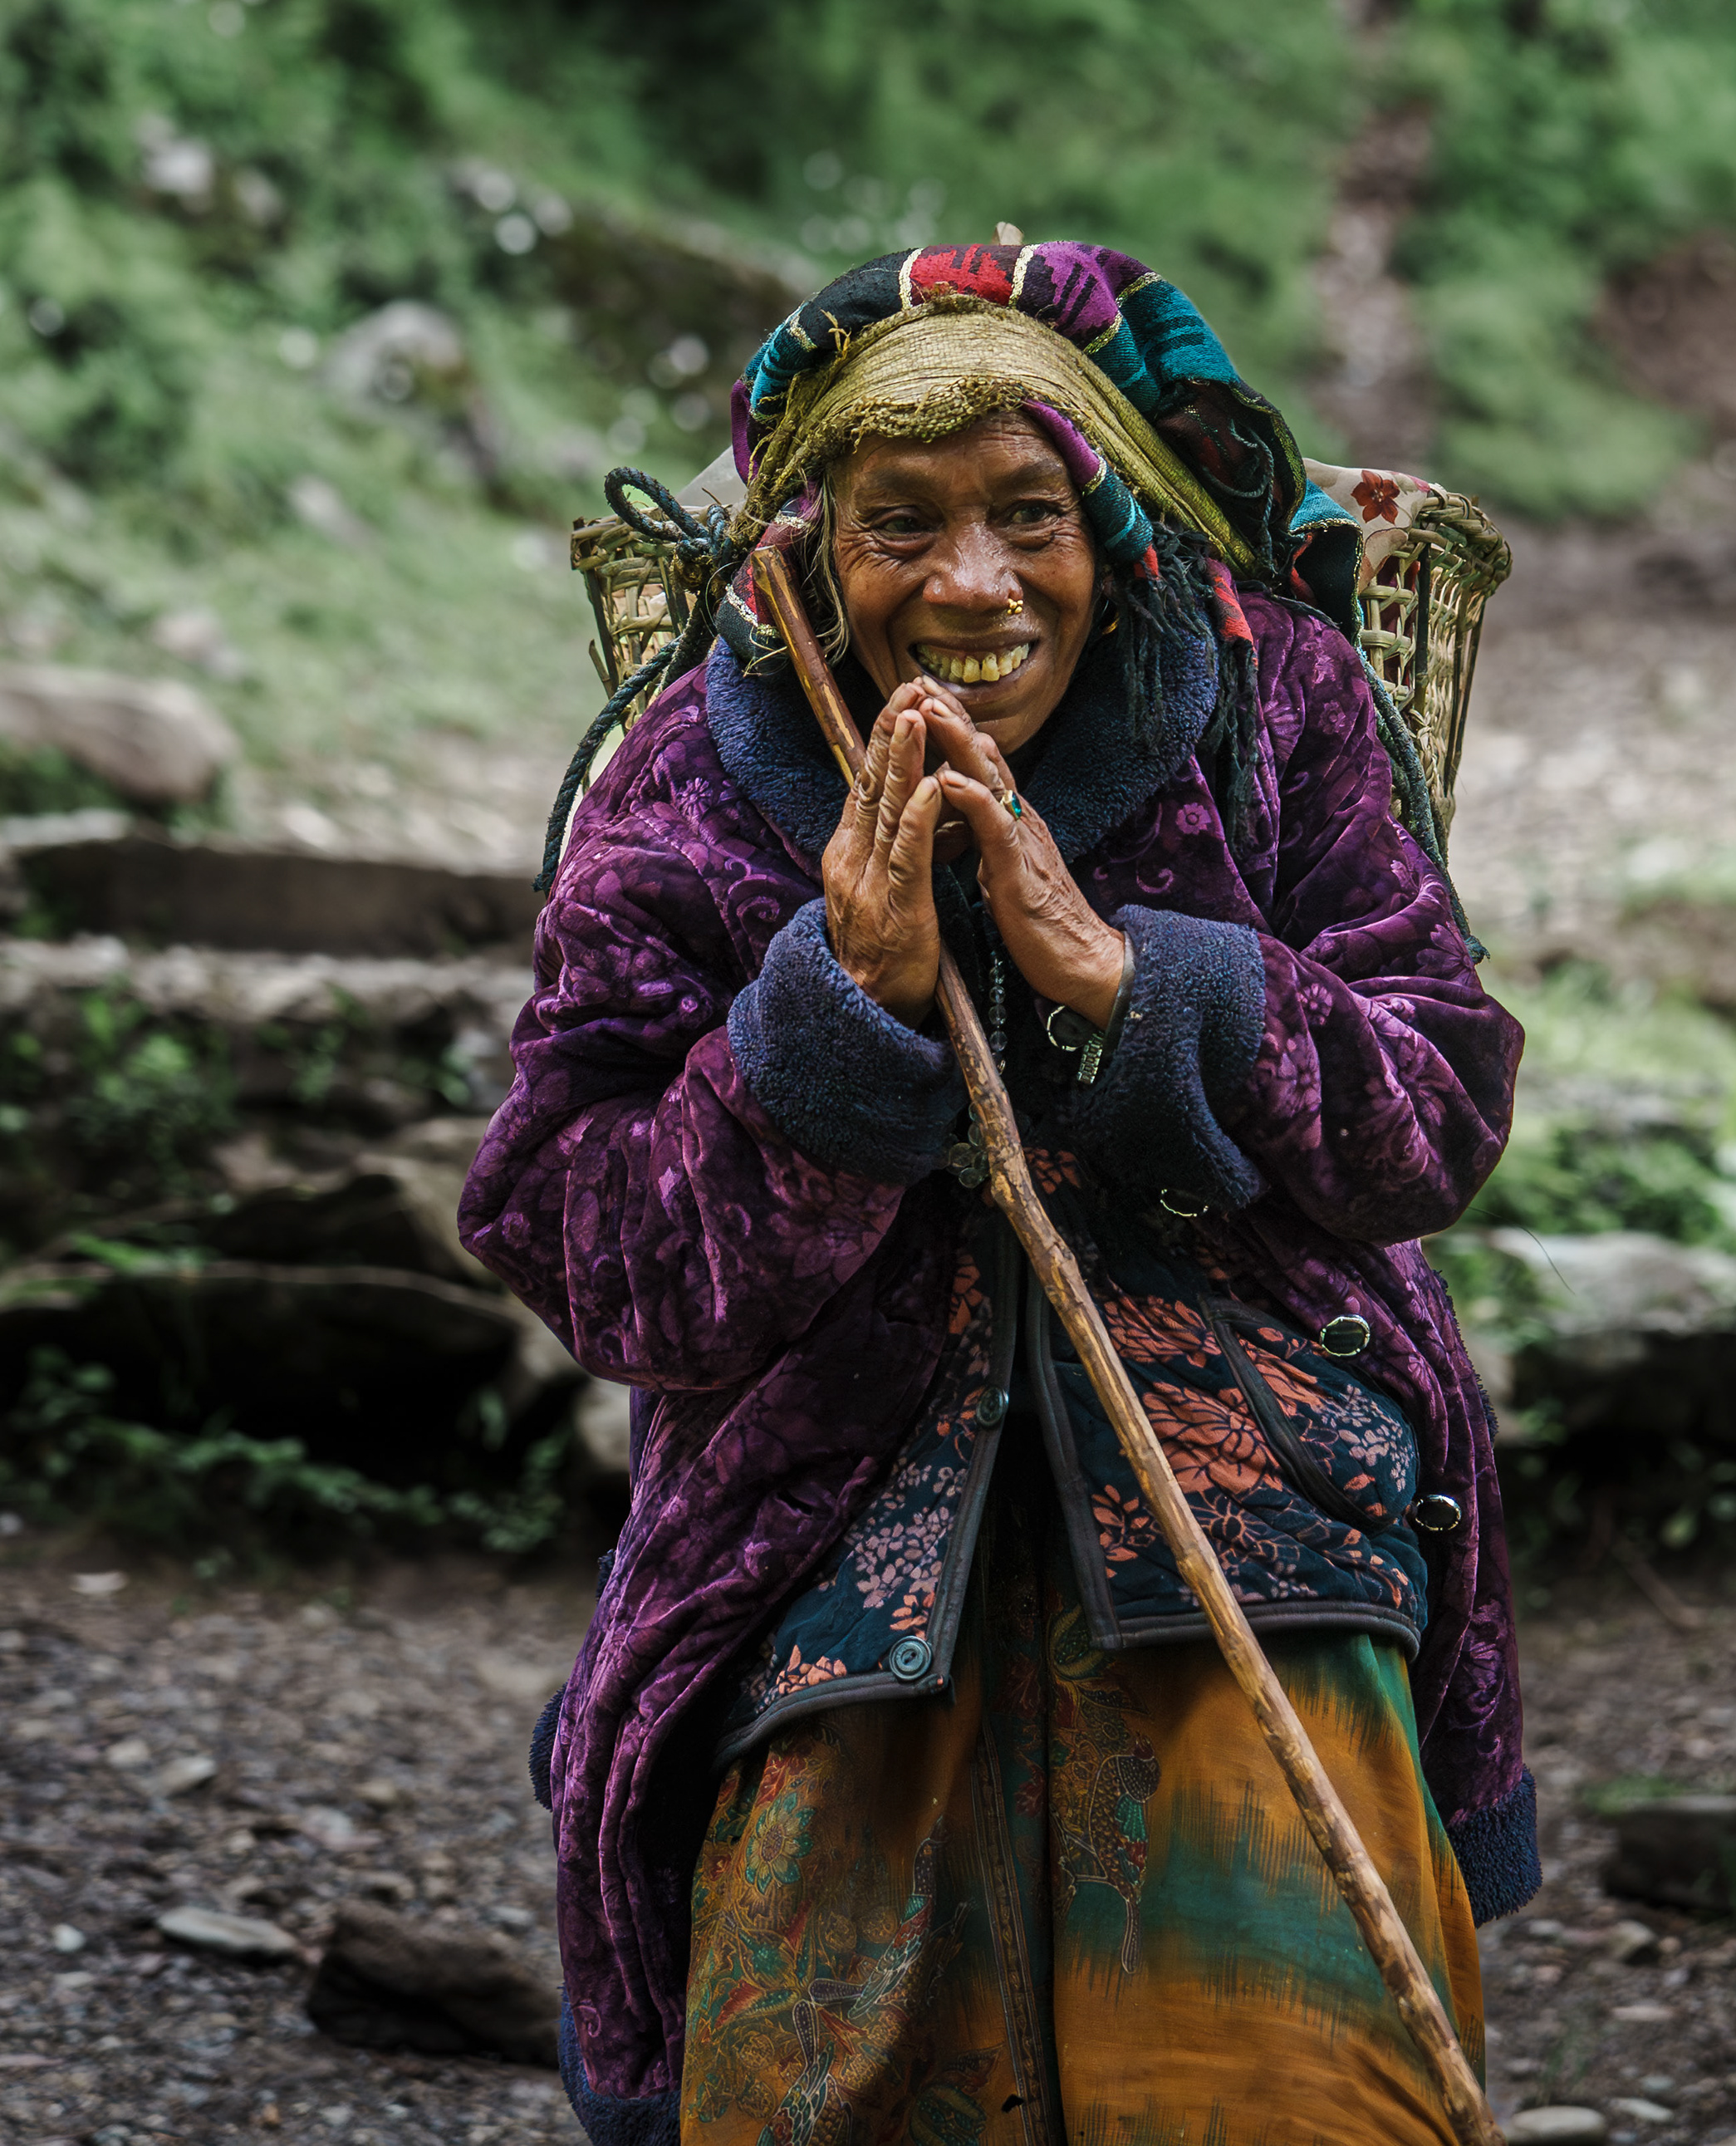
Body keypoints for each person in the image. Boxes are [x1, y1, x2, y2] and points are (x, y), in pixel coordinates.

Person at [460, 239, 1531, 2146]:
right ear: (807, 550)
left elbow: (1437, 1104)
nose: (971, 586)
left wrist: (1145, 981)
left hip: (1258, 1462)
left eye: (1027, 513)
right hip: (825, 1489)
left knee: (1289, 2078)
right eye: (901, 524)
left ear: (1107, 521)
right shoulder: (688, 783)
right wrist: (828, 1025)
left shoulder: (1268, 699)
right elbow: (585, 1243)